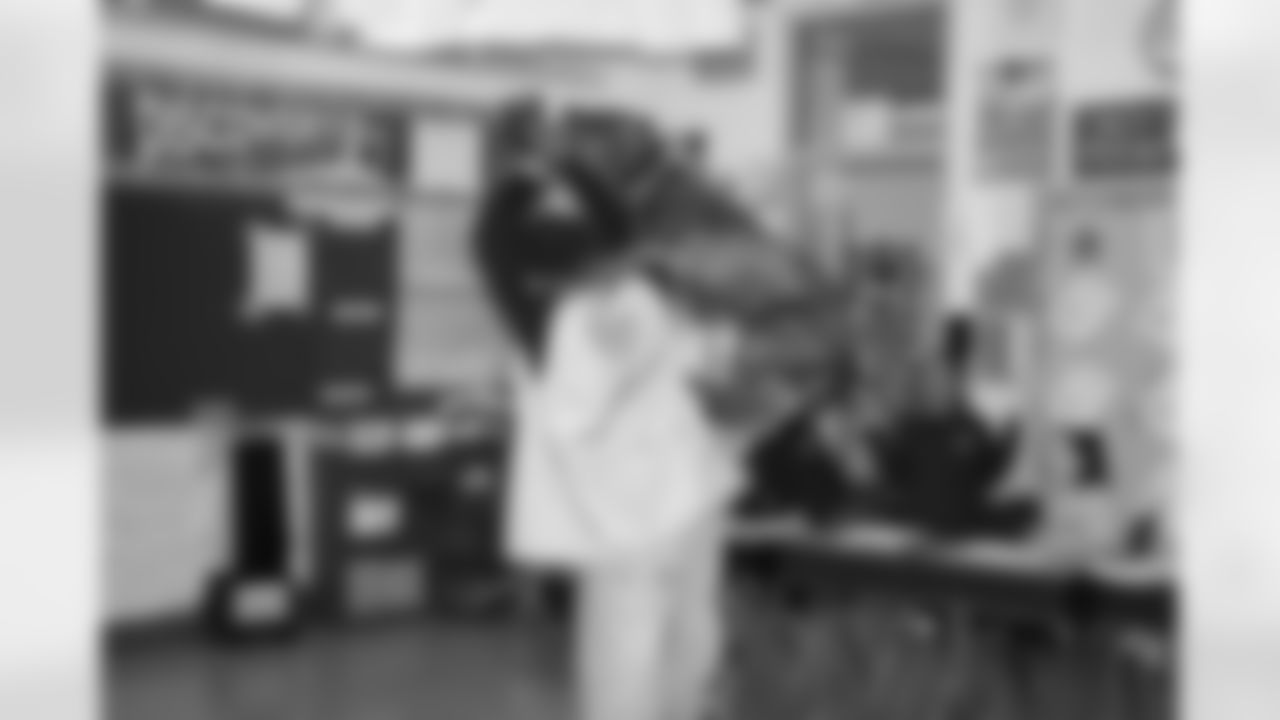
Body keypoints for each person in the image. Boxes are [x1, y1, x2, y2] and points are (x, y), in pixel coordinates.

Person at [506, 240, 746, 720]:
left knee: (662, 646)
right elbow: (572, 417)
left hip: (663, 502)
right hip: (663, 501)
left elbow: (575, 416)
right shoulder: (634, 305)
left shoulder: (640, 306)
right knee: (657, 647)